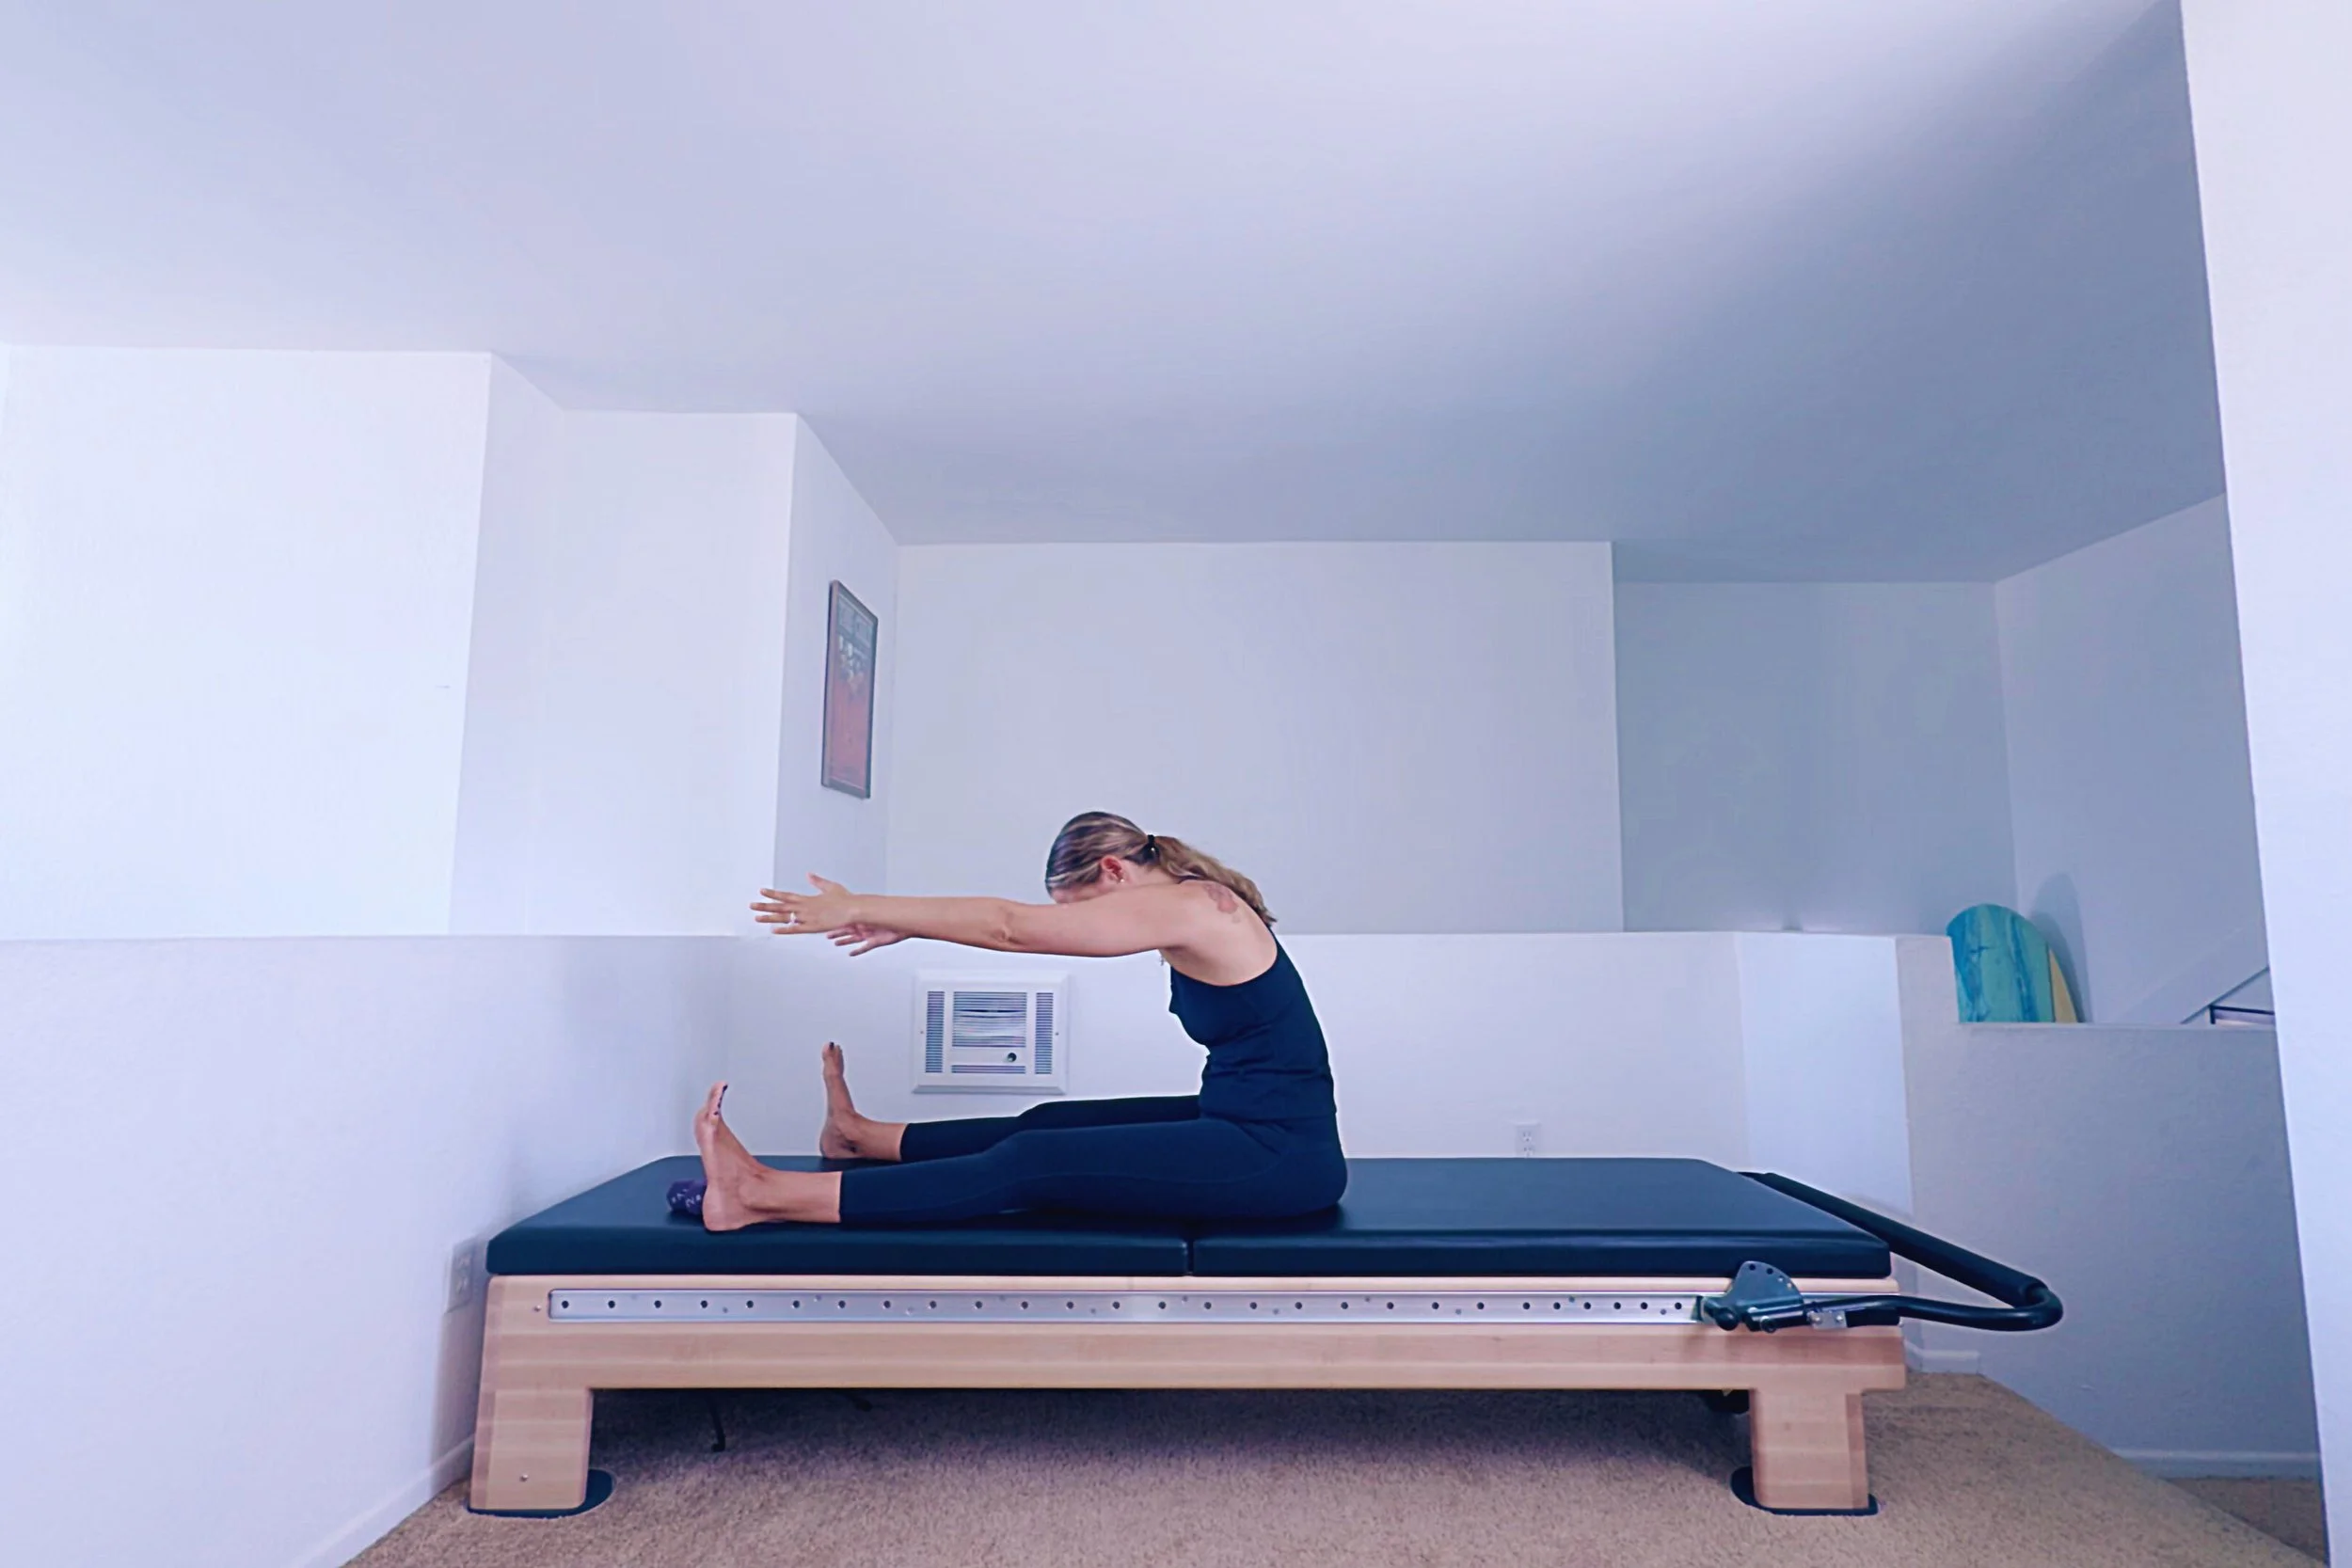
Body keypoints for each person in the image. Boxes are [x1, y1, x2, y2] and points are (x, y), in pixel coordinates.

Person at [683, 811, 1346, 1229]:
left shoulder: (1194, 906)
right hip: (1236, 1118)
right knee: (1046, 1123)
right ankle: (862, 1140)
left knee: (1034, 1160)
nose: (1076, 923)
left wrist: (866, 904)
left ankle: (764, 1195)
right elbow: (1018, 927)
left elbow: (1013, 929)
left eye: (1078, 905)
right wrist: (897, 922)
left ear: (1114, 869)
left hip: (1279, 1155)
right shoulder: (1191, 902)